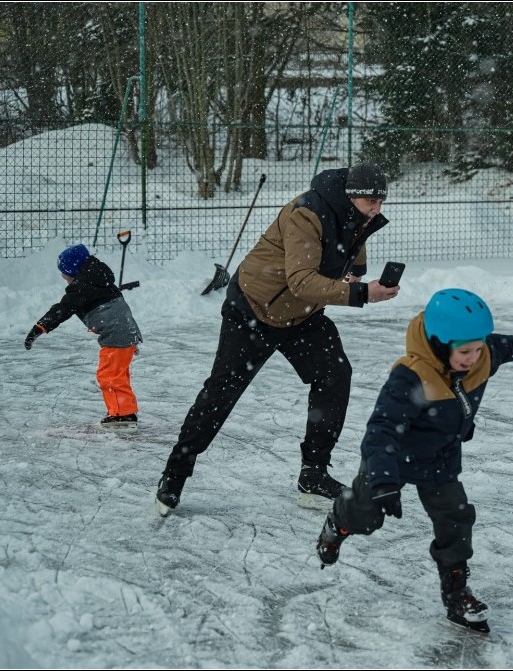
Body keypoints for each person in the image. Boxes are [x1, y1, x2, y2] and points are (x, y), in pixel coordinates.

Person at [155, 163, 399, 517]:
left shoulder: (357, 214)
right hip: (253, 311)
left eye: (380, 201)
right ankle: (174, 475)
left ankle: (313, 474)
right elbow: (301, 281)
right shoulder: (308, 214)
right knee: (222, 391)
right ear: (350, 196)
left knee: (334, 374)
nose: (376, 208)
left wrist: (357, 271)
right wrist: (361, 293)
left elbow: (354, 241)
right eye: (370, 201)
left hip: (301, 316)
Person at [315, 288, 513, 633]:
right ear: (439, 343)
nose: (474, 358)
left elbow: (505, 346)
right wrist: (384, 481)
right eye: (465, 351)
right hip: (393, 460)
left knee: (455, 518)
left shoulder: (482, 355)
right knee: (366, 516)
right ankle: (338, 524)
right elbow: (380, 431)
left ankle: (456, 592)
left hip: (440, 458)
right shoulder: (411, 377)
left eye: (478, 348)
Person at [25, 243, 143, 429]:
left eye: (64, 272)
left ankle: (123, 415)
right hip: (126, 331)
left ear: (73, 270)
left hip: (116, 336)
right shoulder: (99, 278)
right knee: (118, 375)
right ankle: (125, 410)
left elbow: (63, 309)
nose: (63, 277)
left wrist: (40, 327)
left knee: (110, 376)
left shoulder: (82, 286)